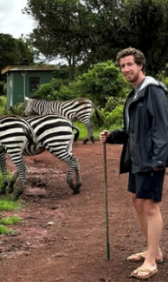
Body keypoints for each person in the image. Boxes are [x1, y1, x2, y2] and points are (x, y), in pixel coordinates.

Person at [100, 47, 168, 280]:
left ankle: (151, 262)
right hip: (137, 158)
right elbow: (133, 131)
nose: (126, 69)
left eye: (130, 64)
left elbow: (161, 126)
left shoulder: (153, 90)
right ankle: (154, 250)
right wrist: (113, 136)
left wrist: (160, 159)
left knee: (150, 206)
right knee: (136, 201)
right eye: (122, 66)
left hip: (150, 159)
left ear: (140, 65)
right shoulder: (135, 93)